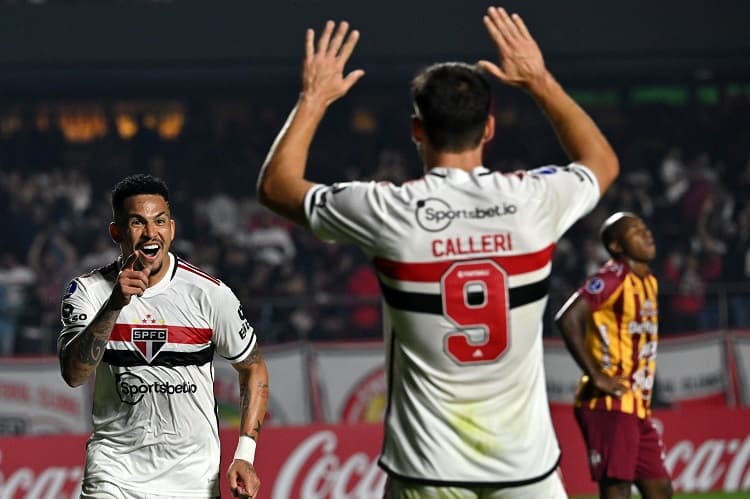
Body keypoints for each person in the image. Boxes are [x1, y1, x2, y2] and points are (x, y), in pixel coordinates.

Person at [257, 6, 619, 498]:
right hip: (526, 468)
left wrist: (314, 97)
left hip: (426, 470)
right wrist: (538, 81)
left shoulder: (388, 209)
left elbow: (277, 185)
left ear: (417, 130)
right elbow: (601, 161)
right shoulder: (533, 200)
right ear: (489, 128)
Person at [58, 173, 268, 499]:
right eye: (138, 223)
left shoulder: (210, 295)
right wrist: (115, 304)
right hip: (115, 476)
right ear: (117, 232)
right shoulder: (87, 291)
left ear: (171, 229)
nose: (150, 233)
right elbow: (73, 374)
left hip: (193, 480)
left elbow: (253, 367)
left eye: (159, 221)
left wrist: (245, 454)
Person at [555, 212, 673, 499]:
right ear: (617, 246)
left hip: (637, 406)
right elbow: (567, 317)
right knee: (617, 489)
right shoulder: (612, 278)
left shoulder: (650, 283)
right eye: (635, 230)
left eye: (645, 228)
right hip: (609, 404)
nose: (646, 234)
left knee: (661, 489)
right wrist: (596, 374)